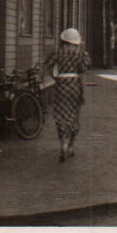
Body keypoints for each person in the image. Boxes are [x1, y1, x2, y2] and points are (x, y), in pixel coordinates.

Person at [44, 28, 89, 162]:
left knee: (61, 115)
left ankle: (63, 143)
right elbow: (82, 75)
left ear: (63, 40)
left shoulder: (57, 53)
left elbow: (49, 68)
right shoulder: (81, 54)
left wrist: (56, 77)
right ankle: (71, 146)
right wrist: (83, 93)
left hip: (60, 87)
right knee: (74, 116)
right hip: (74, 87)